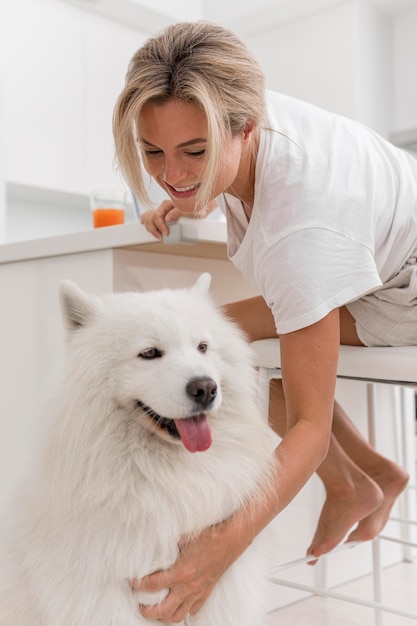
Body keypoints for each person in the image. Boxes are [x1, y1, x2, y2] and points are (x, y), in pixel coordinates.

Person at [112, 21, 415, 623]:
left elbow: (307, 424)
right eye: (154, 152)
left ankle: (354, 482)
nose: (170, 171)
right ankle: (368, 477)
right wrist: (192, 187)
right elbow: (198, 146)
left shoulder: (301, 227)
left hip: (408, 296)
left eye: (194, 152)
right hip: (385, 263)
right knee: (218, 337)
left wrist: (219, 549)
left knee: (223, 341)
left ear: (243, 128)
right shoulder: (233, 101)